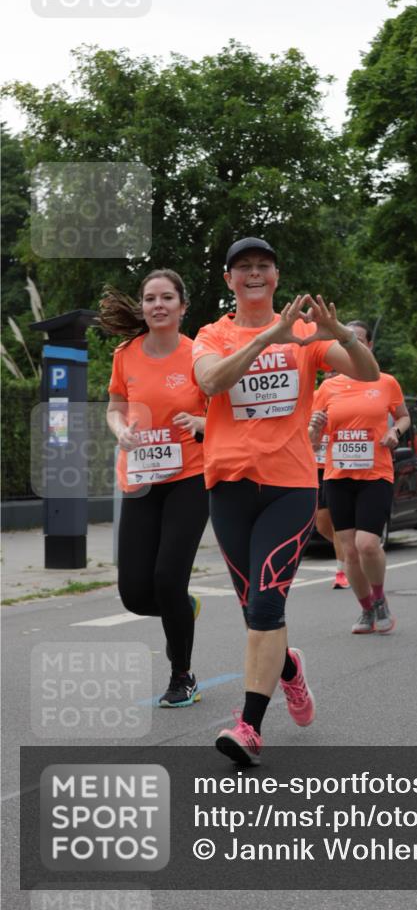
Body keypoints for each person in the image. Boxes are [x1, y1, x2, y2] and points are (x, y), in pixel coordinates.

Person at [192, 237, 379, 765]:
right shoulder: (212, 334)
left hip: (290, 485)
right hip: (228, 486)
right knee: (256, 611)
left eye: (264, 267)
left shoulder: (304, 334)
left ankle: (249, 726)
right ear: (229, 279)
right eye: (244, 267)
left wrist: (341, 334)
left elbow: (365, 371)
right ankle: (289, 670)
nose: (254, 274)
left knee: (268, 605)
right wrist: (268, 336)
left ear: (275, 276)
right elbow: (211, 380)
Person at [101, 270, 209, 708]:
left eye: (167, 297)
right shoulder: (125, 354)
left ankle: (181, 675)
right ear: (143, 307)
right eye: (150, 298)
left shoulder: (200, 354)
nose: (158, 305)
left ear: (183, 307)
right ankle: (185, 607)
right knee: (134, 593)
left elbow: (225, 412)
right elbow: (114, 408)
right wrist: (120, 429)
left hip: (190, 477)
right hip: (142, 480)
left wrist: (203, 424)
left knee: (167, 578)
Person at [310, 321, 410, 635]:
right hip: (338, 475)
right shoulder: (326, 388)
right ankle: (366, 609)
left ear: (368, 346)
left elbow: (404, 416)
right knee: (349, 549)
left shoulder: (385, 381)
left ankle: (380, 600)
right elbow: (313, 440)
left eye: (357, 340)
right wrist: (313, 428)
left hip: (375, 473)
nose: (350, 346)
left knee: (367, 544)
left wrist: (395, 430)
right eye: (342, 342)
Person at [309, 373, 349, 589]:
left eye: (335, 372)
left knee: (336, 522)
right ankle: (350, 553)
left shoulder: (345, 400)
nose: (329, 376)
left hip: (334, 467)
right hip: (314, 467)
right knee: (322, 522)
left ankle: (342, 571)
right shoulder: (311, 398)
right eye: (326, 372)